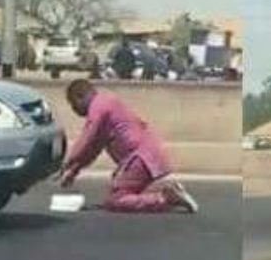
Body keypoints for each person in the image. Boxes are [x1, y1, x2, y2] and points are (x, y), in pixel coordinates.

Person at [62, 79, 198, 214]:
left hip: (140, 157)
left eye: (74, 104)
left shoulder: (98, 106)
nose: (75, 109)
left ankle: (165, 198)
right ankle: (169, 192)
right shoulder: (107, 104)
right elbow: (93, 148)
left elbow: (87, 137)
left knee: (116, 199)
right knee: (126, 190)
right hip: (148, 154)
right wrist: (75, 169)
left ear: (80, 96)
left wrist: (67, 162)